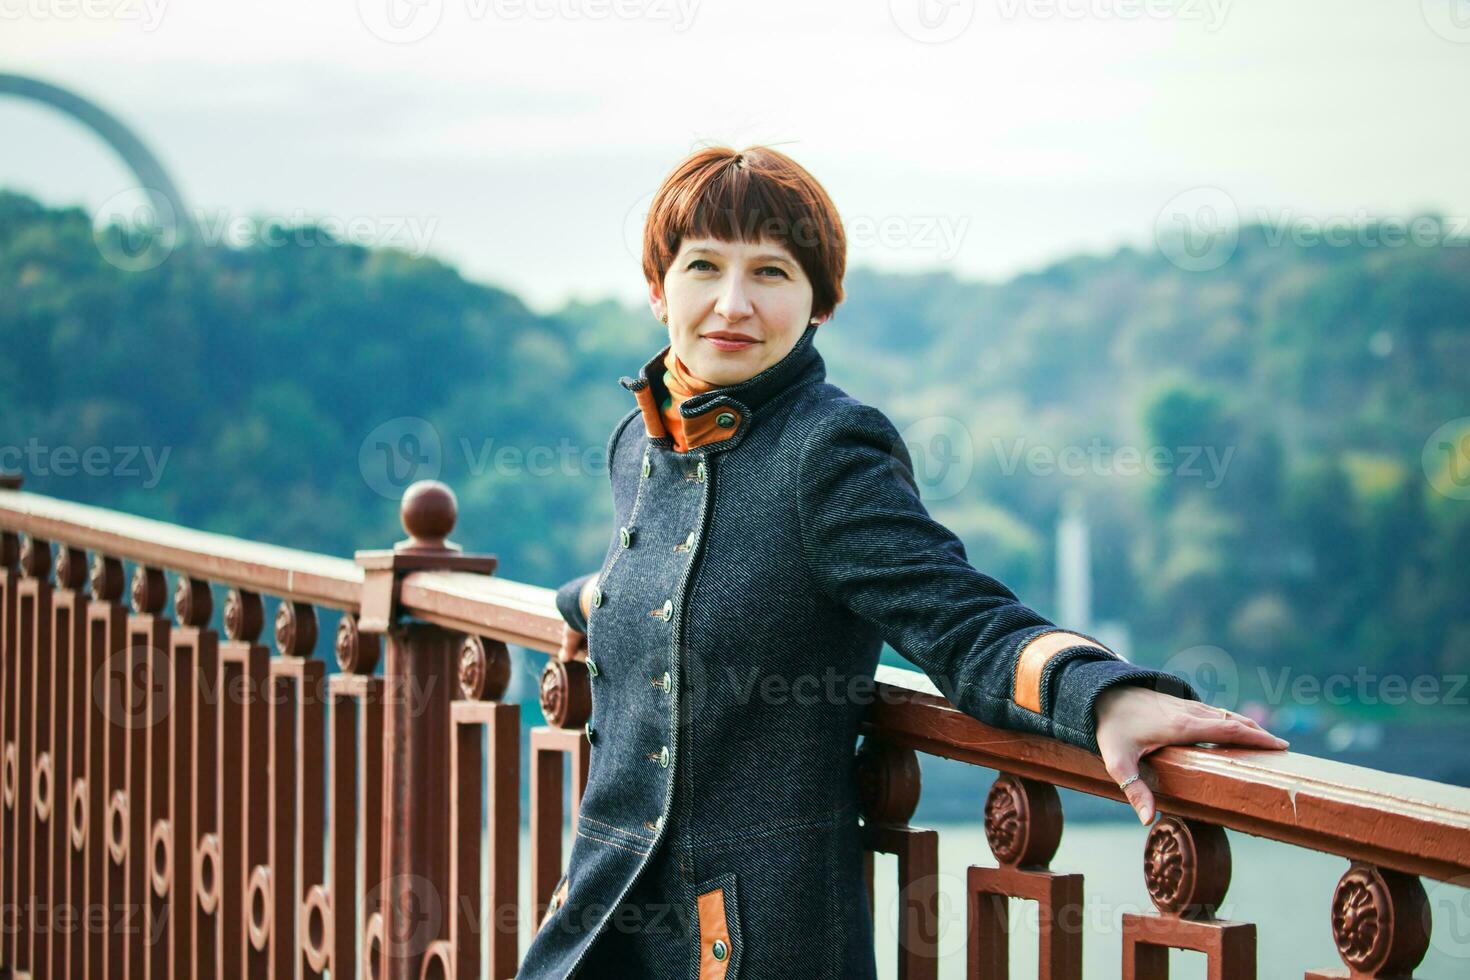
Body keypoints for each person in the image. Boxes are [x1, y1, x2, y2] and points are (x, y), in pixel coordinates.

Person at [517, 145, 1288, 980]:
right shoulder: (639, 438)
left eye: (771, 272)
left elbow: (961, 620)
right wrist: (589, 604)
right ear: (659, 288)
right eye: (704, 265)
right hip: (603, 914)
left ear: (820, 302)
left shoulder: (829, 451)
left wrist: (1103, 695)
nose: (732, 304)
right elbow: (648, 576)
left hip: (748, 933)